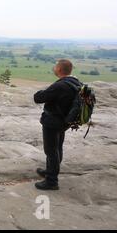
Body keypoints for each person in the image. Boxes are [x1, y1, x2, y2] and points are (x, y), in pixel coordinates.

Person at [33, 59, 81, 191]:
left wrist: (41, 92)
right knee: (57, 147)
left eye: (55, 66)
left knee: (51, 151)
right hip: (64, 121)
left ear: (59, 69)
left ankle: (51, 181)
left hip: (53, 122)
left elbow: (38, 98)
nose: (54, 68)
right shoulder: (75, 82)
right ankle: (50, 171)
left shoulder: (59, 86)